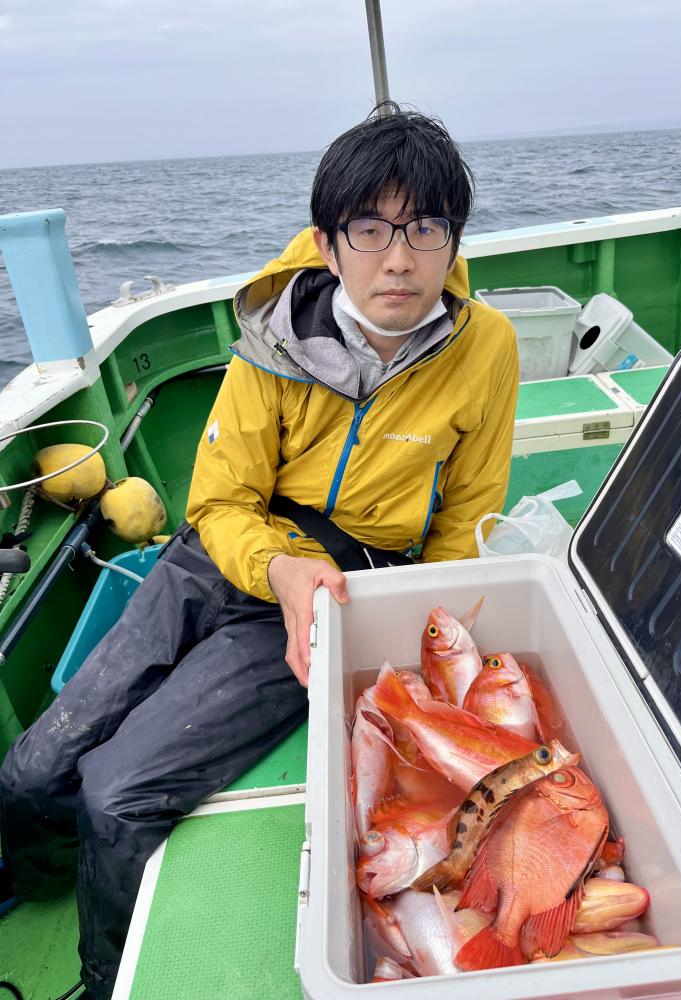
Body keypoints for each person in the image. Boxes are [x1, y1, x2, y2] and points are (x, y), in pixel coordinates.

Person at [0, 103, 518, 999]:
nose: (399, 258)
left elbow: (467, 514)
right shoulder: (276, 335)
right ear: (327, 245)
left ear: (454, 238)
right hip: (231, 551)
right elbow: (219, 500)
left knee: (118, 793)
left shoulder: (487, 347)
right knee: (32, 771)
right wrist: (274, 564)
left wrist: (407, 632)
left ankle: (101, 977)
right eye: (369, 229)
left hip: (339, 585)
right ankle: (43, 877)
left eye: (425, 228)